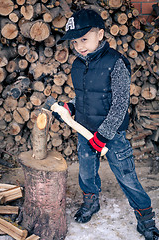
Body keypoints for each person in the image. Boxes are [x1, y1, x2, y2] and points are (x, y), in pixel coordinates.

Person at [55, 8, 159, 240]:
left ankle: (146, 220)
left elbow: (120, 104)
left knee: (127, 176)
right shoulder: (77, 65)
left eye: (84, 38)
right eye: (75, 42)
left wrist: (104, 134)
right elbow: (82, 96)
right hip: (85, 130)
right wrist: (69, 108)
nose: (79, 46)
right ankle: (91, 203)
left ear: (100, 34)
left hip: (113, 135)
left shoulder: (116, 63)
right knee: (86, 172)